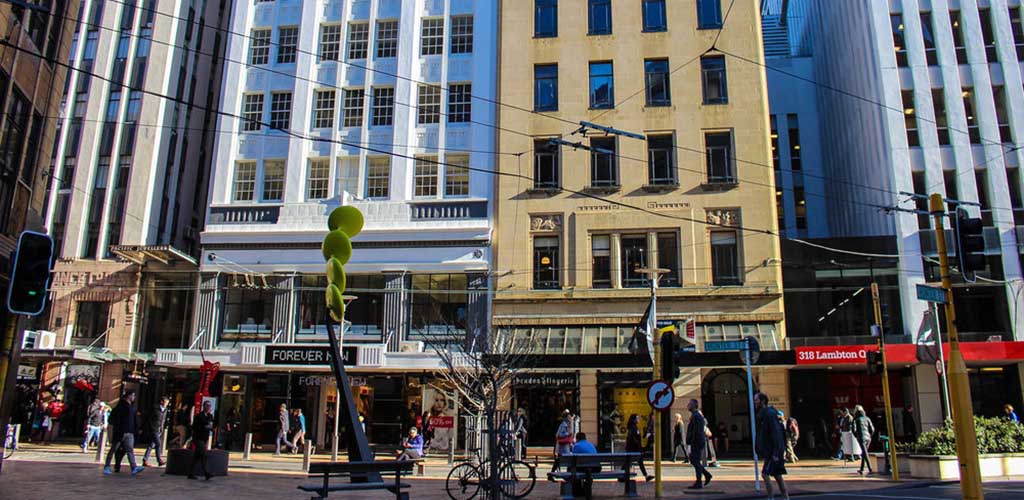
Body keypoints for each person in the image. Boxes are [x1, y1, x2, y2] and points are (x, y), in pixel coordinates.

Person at [755, 392, 789, 500]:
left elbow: (776, 434)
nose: (755, 402)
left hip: (772, 452)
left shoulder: (769, 414)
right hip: (770, 451)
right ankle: (785, 497)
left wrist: (776, 453)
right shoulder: (765, 414)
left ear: (763, 401)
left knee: (765, 474)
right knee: (777, 475)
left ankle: (771, 497)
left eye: (756, 400)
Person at [104, 391, 144, 476]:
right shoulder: (120, 407)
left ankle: (134, 467)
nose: (134, 397)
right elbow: (111, 419)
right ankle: (107, 466)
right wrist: (118, 426)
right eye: (133, 395)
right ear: (128, 396)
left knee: (130, 450)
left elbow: (134, 420)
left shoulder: (132, 408)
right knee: (114, 449)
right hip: (120, 432)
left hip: (130, 432)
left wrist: (136, 429)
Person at [685, 400, 713, 489]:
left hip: (696, 442)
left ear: (694, 405)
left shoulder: (696, 416)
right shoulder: (695, 415)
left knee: (695, 460)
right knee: (694, 460)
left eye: (689, 404)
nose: (687, 405)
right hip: (696, 442)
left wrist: (692, 441)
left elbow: (697, 431)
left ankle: (699, 481)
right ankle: (706, 475)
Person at [189, 400, 215, 480]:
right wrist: (204, 427)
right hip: (198, 438)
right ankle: (206, 472)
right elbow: (195, 427)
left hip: (204, 438)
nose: (208, 407)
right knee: (203, 455)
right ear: (203, 407)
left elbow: (211, 425)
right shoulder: (199, 416)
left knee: (196, 456)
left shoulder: (210, 416)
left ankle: (191, 473)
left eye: (209, 406)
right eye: (207, 406)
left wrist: (211, 428)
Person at [143, 396, 170, 467]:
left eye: (167, 403)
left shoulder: (165, 410)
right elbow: (149, 418)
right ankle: (159, 460)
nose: (166, 404)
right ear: (162, 402)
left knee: (151, 445)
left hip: (159, 430)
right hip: (153, 429)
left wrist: (163, 428)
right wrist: (149, 427)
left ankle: (145, 459)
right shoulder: (155, 409)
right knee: (158, 444)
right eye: (165, 403)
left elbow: (163, 420)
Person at [625, 414, 654, 481]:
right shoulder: (632, 427)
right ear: (634, 420)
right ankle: (622, 475)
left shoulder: (634, 427)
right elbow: (632, 438)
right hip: (633, 449)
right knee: (628, 462)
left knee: (636, 462)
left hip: (634, 449)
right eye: (637, 418)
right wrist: (638, 445)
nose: (638, 419)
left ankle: (646, 476)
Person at [569, 432, 598, 497]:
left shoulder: (577, 446)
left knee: (572, 469)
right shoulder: (591, 444)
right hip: (595, 468)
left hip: (585, 468)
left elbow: (574, 458)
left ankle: (577, 491)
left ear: (577, 439)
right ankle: (584, 490)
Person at [854, 405, 875, 475]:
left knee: (865, 453)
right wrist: (870, 435)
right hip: (868, 437)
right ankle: (862, 468)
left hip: (861, 437)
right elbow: (872, 429)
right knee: (864, 452)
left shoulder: (856, 419)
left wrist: (856, 435)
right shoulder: (867, 418)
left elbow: (853, 429)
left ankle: (870, 468)